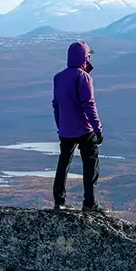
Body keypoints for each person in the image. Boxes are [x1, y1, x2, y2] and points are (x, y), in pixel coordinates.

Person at [51, 41, 105, 211]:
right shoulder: (84, 77)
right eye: (88, 56)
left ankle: (59, 202)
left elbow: (56, 104)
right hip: (84, 129)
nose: (89, 58)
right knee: (90, 163)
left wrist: (60, 125)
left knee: (64, 162)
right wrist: (98, 129)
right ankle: (90, 203)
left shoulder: (58, 77)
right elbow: (89, 104)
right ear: (84, 57)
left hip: (65, 130)